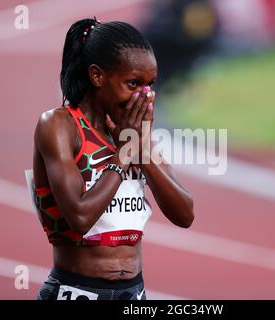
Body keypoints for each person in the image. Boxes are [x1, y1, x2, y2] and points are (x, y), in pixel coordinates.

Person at [32, 18, 194, 300]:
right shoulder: (59, 125)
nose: (144, 96)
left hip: (133, 292)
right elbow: (80, 217)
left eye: (150, 85)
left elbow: (185, 214)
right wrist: (123, 155)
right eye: (133, 83)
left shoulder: (134, 133)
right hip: (76, 289)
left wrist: (140, 150)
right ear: (97, 76)